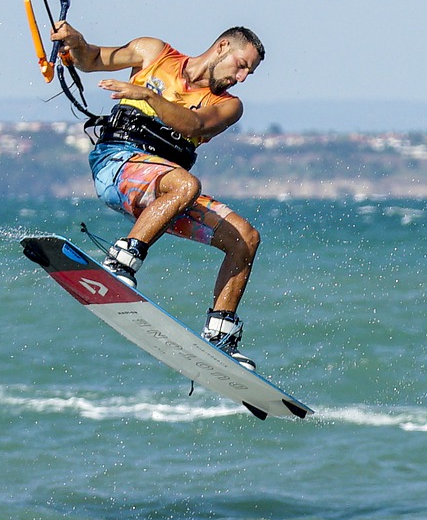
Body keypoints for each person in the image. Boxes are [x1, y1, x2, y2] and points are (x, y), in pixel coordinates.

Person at [50, 22, 266, 371]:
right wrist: (75, 43)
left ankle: (220, 336)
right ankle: (120, 264)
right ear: (223, 46)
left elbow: (194, 127)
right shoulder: (154, 53)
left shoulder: (229, 106)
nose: (241, 78)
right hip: (117, 164)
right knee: (185, 185)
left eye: (249, 74)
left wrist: (149, 97)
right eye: (241, 65)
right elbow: (90, 59)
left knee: (245, 238)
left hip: (166, 191)